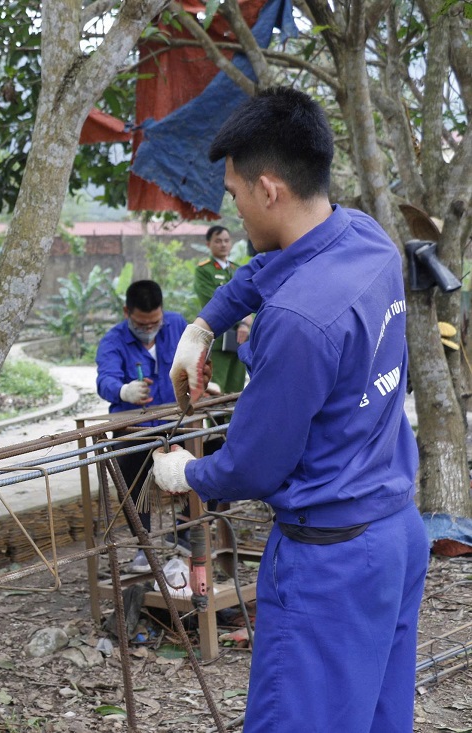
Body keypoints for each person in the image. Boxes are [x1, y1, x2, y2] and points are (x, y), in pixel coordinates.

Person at [155, 86, 428, 732]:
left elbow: (254, 465)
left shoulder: (299, 322)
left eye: (235, 193)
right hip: (395, 533)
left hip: (329, 565)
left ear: (268, 189)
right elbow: (268, 267)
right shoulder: (366, 238)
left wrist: (185, 473)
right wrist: (204, 324)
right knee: (375, 717)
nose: (234, 206)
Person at [94, 280, 190, 572]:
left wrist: (203, 380)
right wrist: (124, 391)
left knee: (205, 456)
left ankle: (186, 532)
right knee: (129, 474)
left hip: (176, 420)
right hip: (134, 427)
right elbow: (105, 380)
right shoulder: (113, 341)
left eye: (154, 323)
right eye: (141, 324)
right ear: (127, 313)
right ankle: (144, 545)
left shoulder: (177, 325)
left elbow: (195, 359)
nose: (149, 329)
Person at [193, 226, 250, 396]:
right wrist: (243, 319)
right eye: (218, 241)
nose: (223, 245)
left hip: (240, 338)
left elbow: (250, 297)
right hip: (219, 338)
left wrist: (247, 323)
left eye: (226, 240)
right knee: (216, 389)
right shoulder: (204, 270)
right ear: (208, 244)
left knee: (236, 392)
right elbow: (213, 301)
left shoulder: (238, 269)